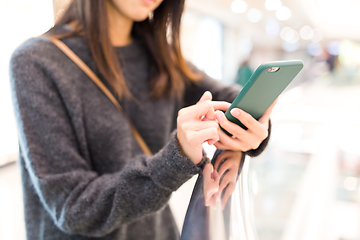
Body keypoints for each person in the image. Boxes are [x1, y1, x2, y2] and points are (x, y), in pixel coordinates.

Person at [9, 0, 274, 239]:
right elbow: (73, 207)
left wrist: (249, 125)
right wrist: (175, 158)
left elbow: (227, 96)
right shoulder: (37, 61)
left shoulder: (160, 54)